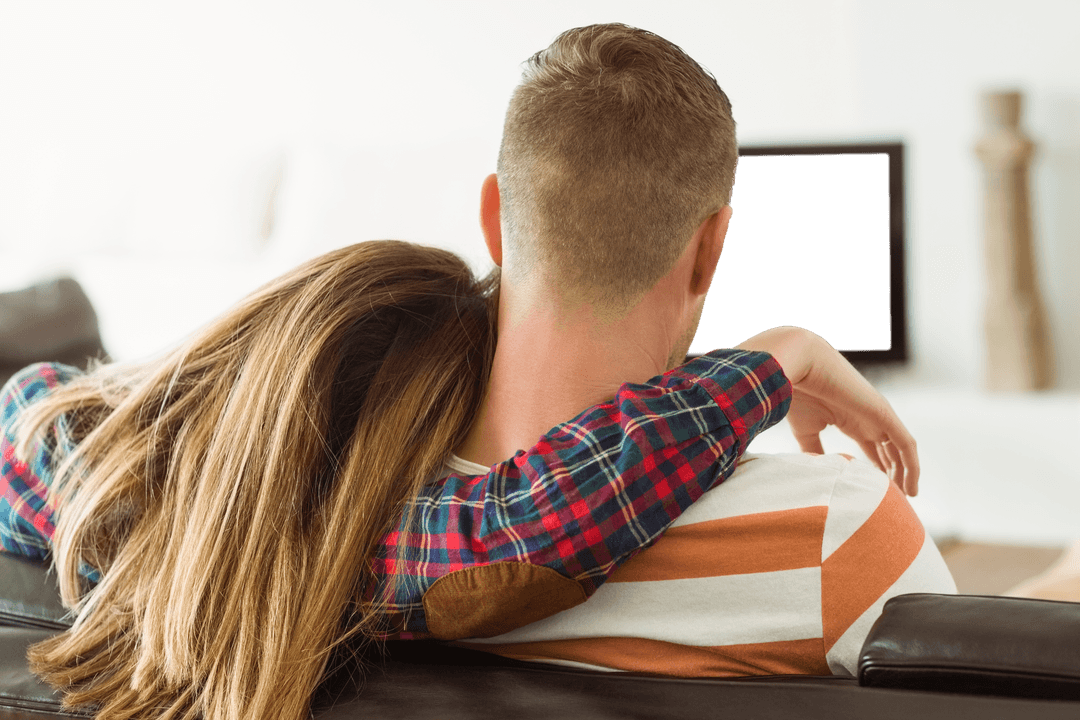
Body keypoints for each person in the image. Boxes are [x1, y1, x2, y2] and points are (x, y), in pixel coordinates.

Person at [0, 23, 938, 720]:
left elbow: (35, 423)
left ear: (494, 219)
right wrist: (775, 360)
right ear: (711, 252)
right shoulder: (835, 536)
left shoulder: (247, 537)